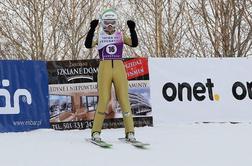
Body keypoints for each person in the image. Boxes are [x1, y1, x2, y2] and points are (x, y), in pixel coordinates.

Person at [84, 8, 138, 142]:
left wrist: (132, 29)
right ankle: (96, 132)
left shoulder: (120, 35)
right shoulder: (100, 36)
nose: (110, 25)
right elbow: (87, 45)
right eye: (107, 22)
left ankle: (130, 132)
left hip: (119, 67)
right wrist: (91, 29)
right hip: (104, 67)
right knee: (103, 100)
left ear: (115, 23)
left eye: (112, 22)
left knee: (124, 100)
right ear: (103, 23)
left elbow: (134, 43)